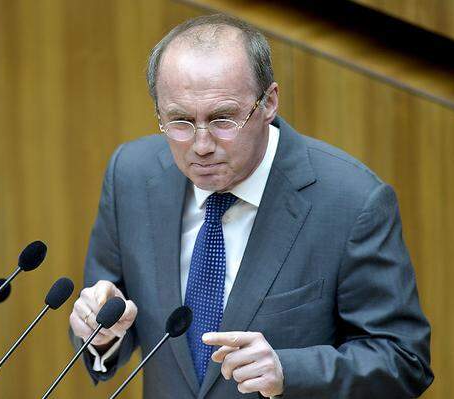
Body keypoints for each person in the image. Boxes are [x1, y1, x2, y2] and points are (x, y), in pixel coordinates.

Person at [69, 14, 433, 399]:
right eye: (179, 121)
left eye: (223, 119)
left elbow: (404, 360)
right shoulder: (131, 175)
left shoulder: (351, 201)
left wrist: (289, 371)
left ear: (269, 102)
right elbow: (108, 319)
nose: (202, 144)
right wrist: (101, 331)